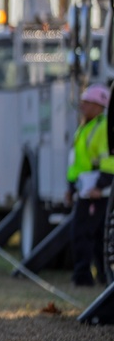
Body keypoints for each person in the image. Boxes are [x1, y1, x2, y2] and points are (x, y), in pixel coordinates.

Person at [66, 84, 114, 287]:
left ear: (98, 105)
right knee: (92, 235)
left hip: (97, 191)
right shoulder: (86, 126)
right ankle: (100, 276)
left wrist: (100, 186)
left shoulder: (103, 128)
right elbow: (77, 163)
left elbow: (109, 160)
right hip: (86, 189)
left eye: (87, 102)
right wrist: (70, 188)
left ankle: (84, 277)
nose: (83, 105)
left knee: (84, 234)